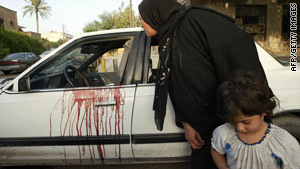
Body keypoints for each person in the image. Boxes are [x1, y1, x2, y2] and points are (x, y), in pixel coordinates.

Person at [138, 0, 268, 168]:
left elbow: (238, 55)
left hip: (230, 121)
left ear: (155, 14)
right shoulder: (170, 36)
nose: (141, 23)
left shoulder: (196, 21)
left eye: (142, 19)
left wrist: (246, 113)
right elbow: (178, 85)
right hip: (202, 128)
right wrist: (187, 122)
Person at [211, 72, 300, 169]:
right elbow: (216, 151)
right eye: (233, 122)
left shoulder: (283, 141)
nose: (239, 128)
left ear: (264, 111)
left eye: (246, 122)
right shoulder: (224, 134)